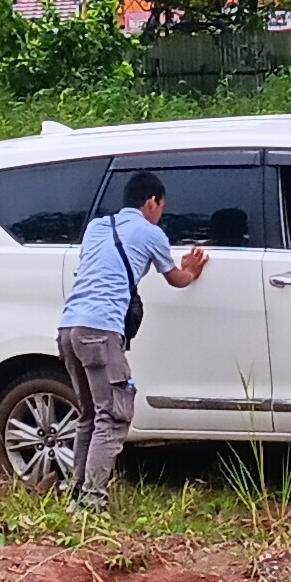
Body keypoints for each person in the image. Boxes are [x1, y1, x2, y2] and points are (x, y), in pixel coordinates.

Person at [56, 172, 209, 513]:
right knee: (113, 416)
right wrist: (192, 269)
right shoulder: (150, 232)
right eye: (161, 207)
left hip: (69, 328)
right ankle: (91, 504)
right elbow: (177, 279)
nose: (160, 214)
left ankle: (74, 495)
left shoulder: (97, 226)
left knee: (90, 414)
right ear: (151, 201)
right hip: (101, 331)